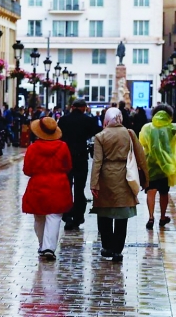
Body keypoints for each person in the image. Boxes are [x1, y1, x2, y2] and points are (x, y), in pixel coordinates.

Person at [92, 107, 148, 261]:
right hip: (126, 175)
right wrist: (145, 178)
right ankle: (118, 250)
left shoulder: (100, 136)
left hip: (106, 175)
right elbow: (140, 156)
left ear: (106, 120)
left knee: (104, 212)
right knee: (122, 215)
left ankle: (107, 246)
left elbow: (97, 162)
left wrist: (94, 183)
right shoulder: (129, 133)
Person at [22, 116, 73, 262]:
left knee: (39, 216)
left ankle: (41, 245)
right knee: (54, 217)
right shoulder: (63, 146)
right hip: (58, 184)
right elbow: (68, 166)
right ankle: (49, 247)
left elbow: (27, 170)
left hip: (38, 184)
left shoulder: (33, 148)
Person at [59, 98, 99, 231]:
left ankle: (67, 216)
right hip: (81, 156)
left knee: (66, 187)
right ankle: (78, 216)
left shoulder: (64, 120)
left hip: (66, 156)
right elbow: (97, 132)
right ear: (84, 108)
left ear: (72, 107)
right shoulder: (88, 120)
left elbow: (58, 135)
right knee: (79, 188)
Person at [140, 103, 176, 229]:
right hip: (166, 166)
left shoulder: (147, 127)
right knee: (164, 192)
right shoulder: (172, 128)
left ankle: (150, 217)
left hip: (150, 165)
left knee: (151, 191)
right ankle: (162, 217)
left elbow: (142, 143)